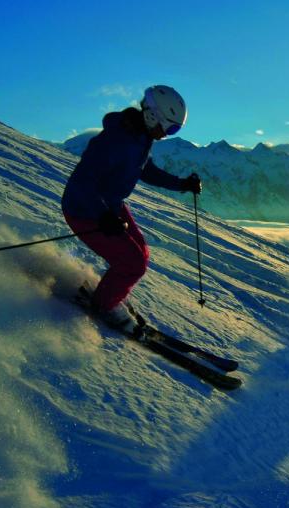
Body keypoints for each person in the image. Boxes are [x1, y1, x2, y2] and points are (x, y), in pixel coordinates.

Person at [61, 85, 202, 332]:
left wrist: (182, 184)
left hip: (110, 206)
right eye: (170, 127)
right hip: (83, 209)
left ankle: (110, 293)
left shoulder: (141, 137)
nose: (167, 134)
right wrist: (102, 214)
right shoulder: (116, 140)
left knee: (141, 254)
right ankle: (104, 305)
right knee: (132, 263)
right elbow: (82, 181)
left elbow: (145, 170)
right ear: (153, 115)